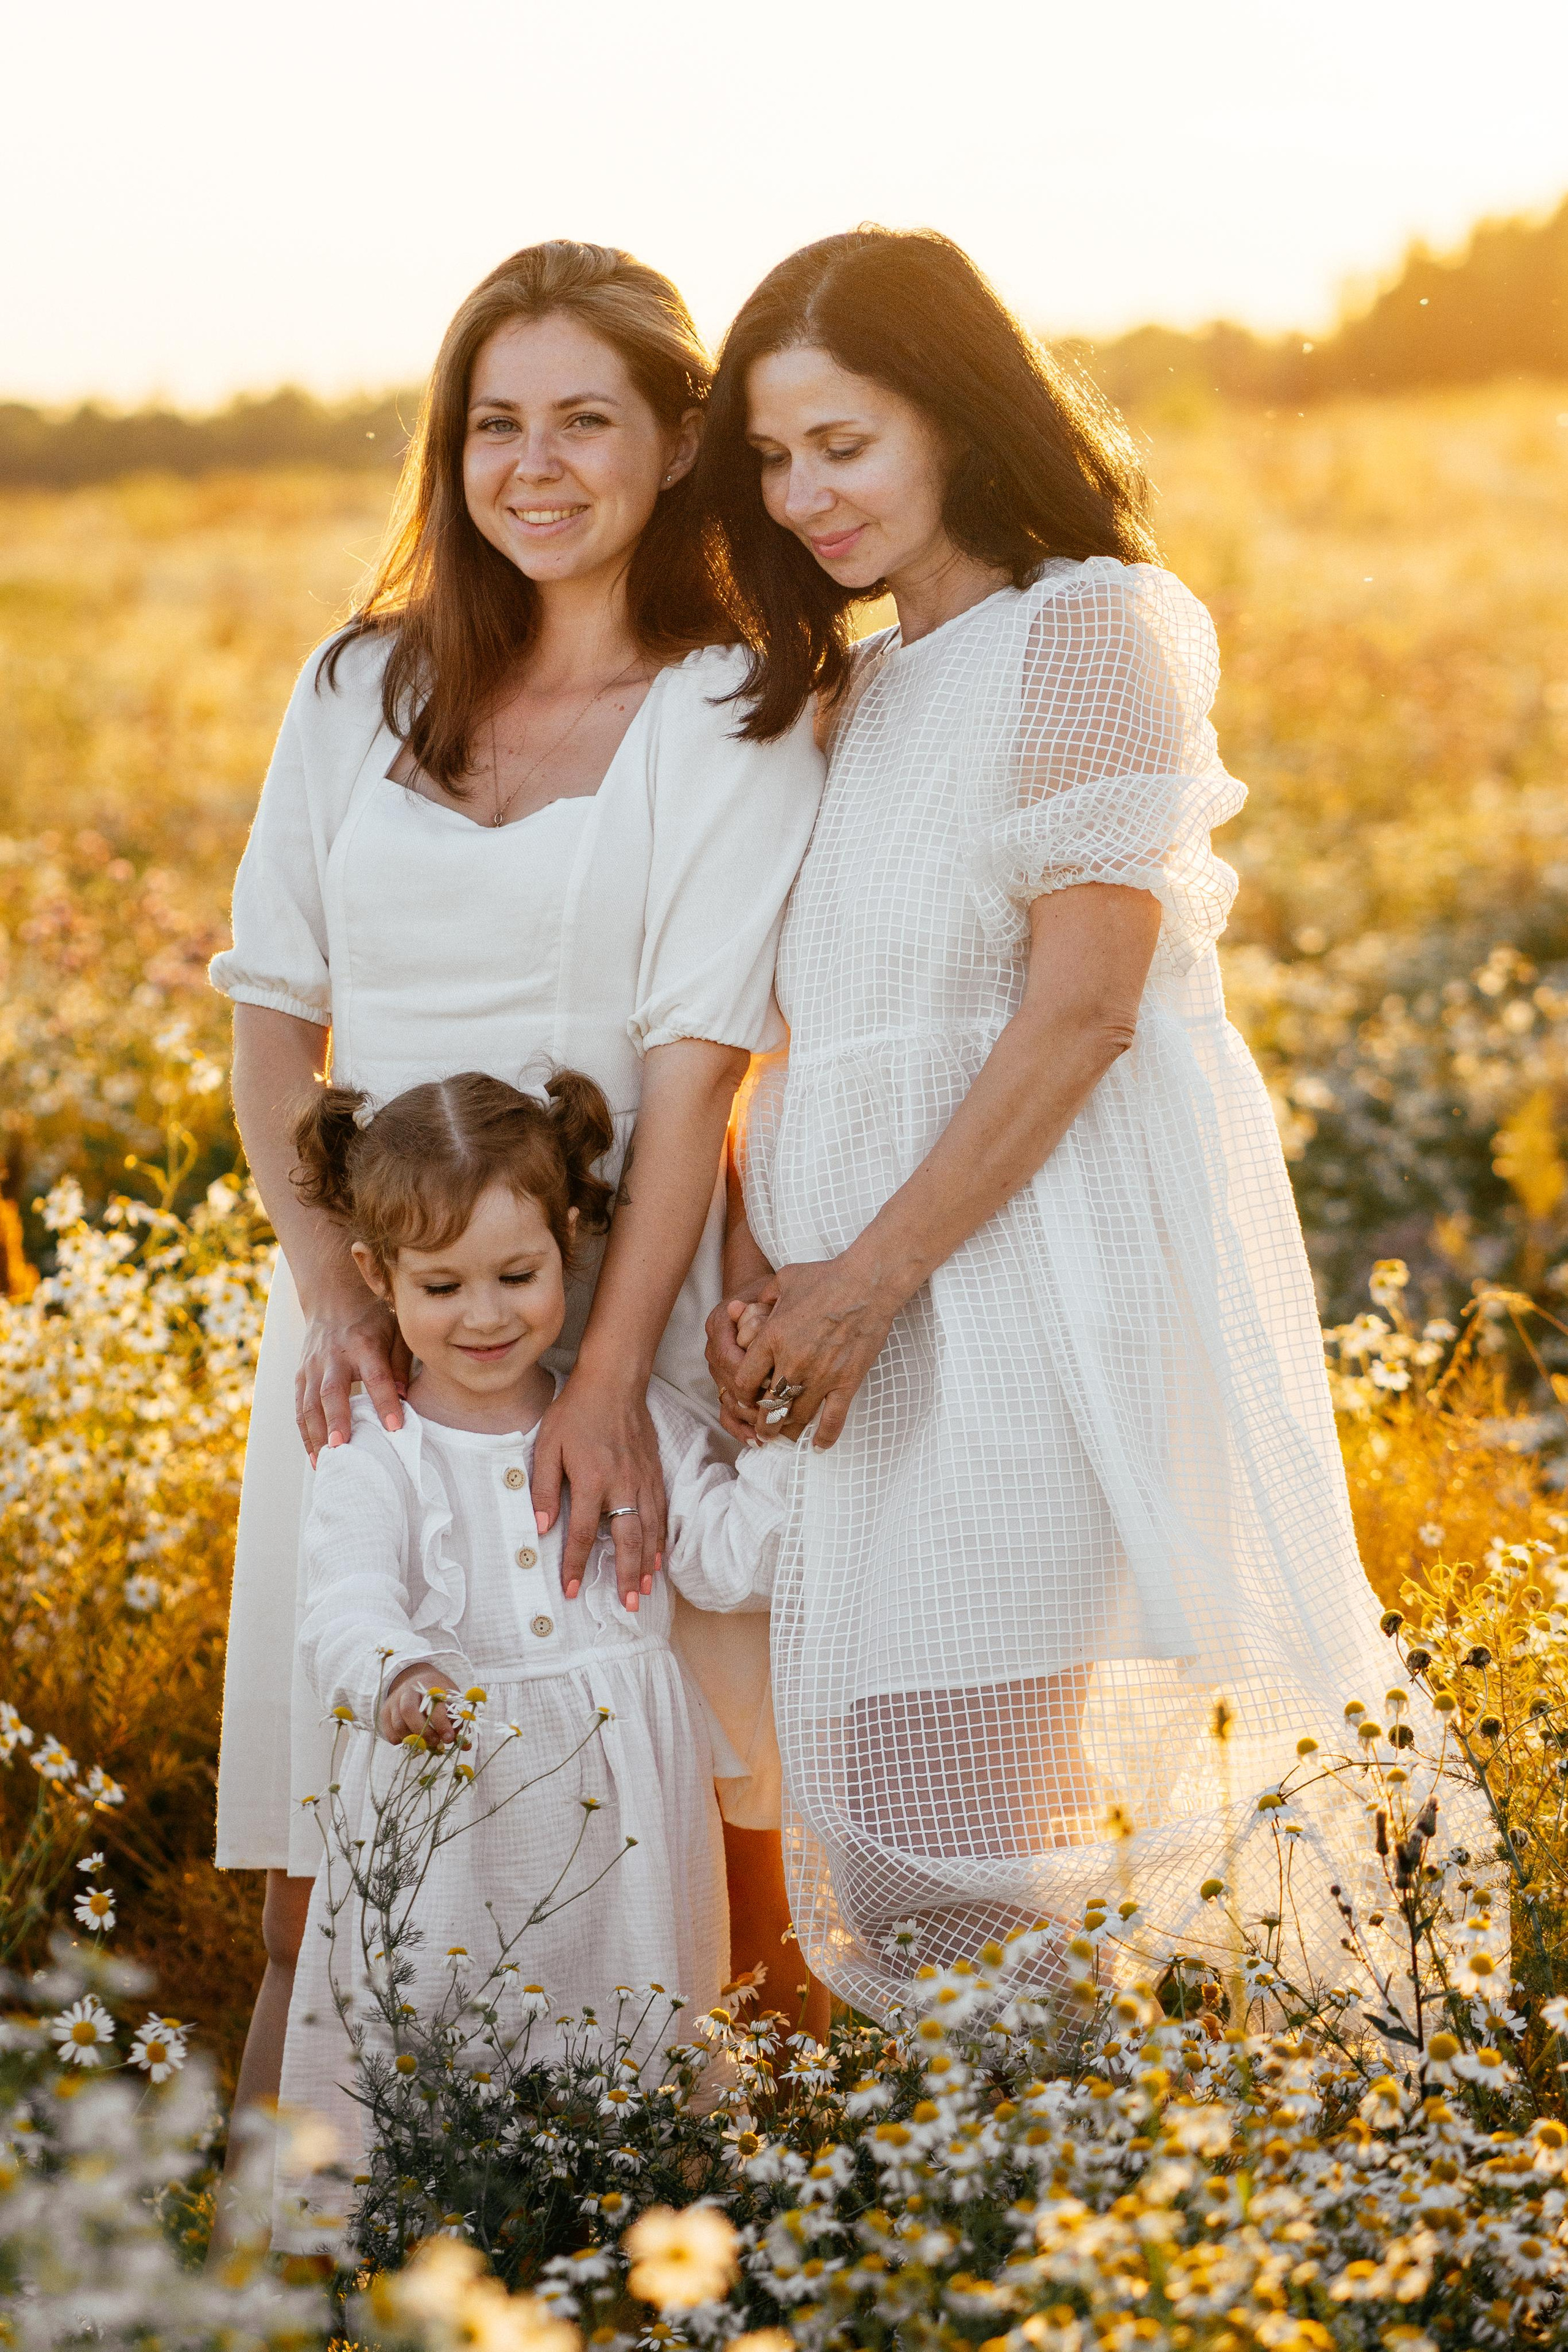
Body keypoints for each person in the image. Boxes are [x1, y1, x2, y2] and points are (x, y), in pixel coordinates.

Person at [698, 228, 1409, 2019]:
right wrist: (764, 1263)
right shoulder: (856, 683)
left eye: (841, 446)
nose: (800, 498)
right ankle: (1045, 2210)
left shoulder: (1087, 624)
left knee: (952, 1838)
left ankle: (1086, 2219)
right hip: (859, 1315)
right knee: (897, 1838)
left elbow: (1087, 1005)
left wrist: (864, 1277)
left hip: (1023, 1299)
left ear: (954, 411)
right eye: (771, 460)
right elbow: (814, 1037)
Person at [207, 238, 824, 2207]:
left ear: (674, 441)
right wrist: (342, 1307)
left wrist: (613, 1381)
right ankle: (306, 2233)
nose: (536, 463)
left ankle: (714, 2223)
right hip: (384, 1325)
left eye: (585, 418)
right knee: (350, 1810)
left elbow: (694, 1071)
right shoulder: (359, 680)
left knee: (705, 1802)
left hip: (615, 1300)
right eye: (497, 422)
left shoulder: (737, 699)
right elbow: (267, 1015)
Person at [271, 1070, 785, 2250]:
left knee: (633, 2043)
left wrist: (782, 1435)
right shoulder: (378, 1446)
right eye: (442, 1287)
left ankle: (628, 2269)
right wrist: (401, 1675)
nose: (486, 1316)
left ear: (570, 1247)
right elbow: (342, 1600)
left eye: (518, 1275)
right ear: (377, 1282)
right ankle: (423, 2268)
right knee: (450, 2048)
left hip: (627, 1821)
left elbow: (727, 1558)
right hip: (456, 1804)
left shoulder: (628, 1419)